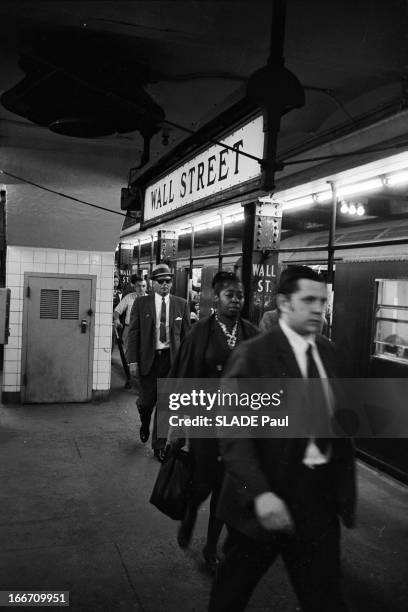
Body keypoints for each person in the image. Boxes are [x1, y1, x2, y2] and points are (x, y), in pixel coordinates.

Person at [209, 265, 356, 612]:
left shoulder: (329, 352)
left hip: (317, 505)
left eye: (322, 300)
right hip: (263, 501)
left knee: (325, 598)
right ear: (284, 304)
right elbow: (233, 431)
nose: (318, 308)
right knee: (230, 595)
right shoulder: (254, 355)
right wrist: (260, 494)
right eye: (308, 300)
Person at [168, 271, 259, 572]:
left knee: (225, 487)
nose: (236, 300)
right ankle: (190, 514)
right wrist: (176, 426)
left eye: (240, 296)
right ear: (216, 298)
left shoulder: (250, 332)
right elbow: (183, 378)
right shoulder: (200, 333)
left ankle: (210, 547)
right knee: (203, 482)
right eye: (230, 295)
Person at [127, 264, 190, 461]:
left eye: (168, 281)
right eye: (160, 282)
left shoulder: (182, 304)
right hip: (148, 360)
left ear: (172, 283)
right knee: (146, 403)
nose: (164, 285)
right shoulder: (141, 303)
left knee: (165, 406)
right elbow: (134, 333)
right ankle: (144, 421)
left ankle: (158, 446)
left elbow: (187, 336)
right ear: (153, 284)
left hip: (170, 361)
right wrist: (133, 361)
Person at [113, 274, 147, 358]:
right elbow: (117, 310)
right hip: (129, 328)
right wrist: (116, 319)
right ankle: (128, 368)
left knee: (143, 350)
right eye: (138, 286)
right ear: (135, 287)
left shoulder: (150, 299)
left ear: (146, 287)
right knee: (129, 350)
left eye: (143, 286)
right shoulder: (129, 297)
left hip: (145, 328)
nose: (141, 288)